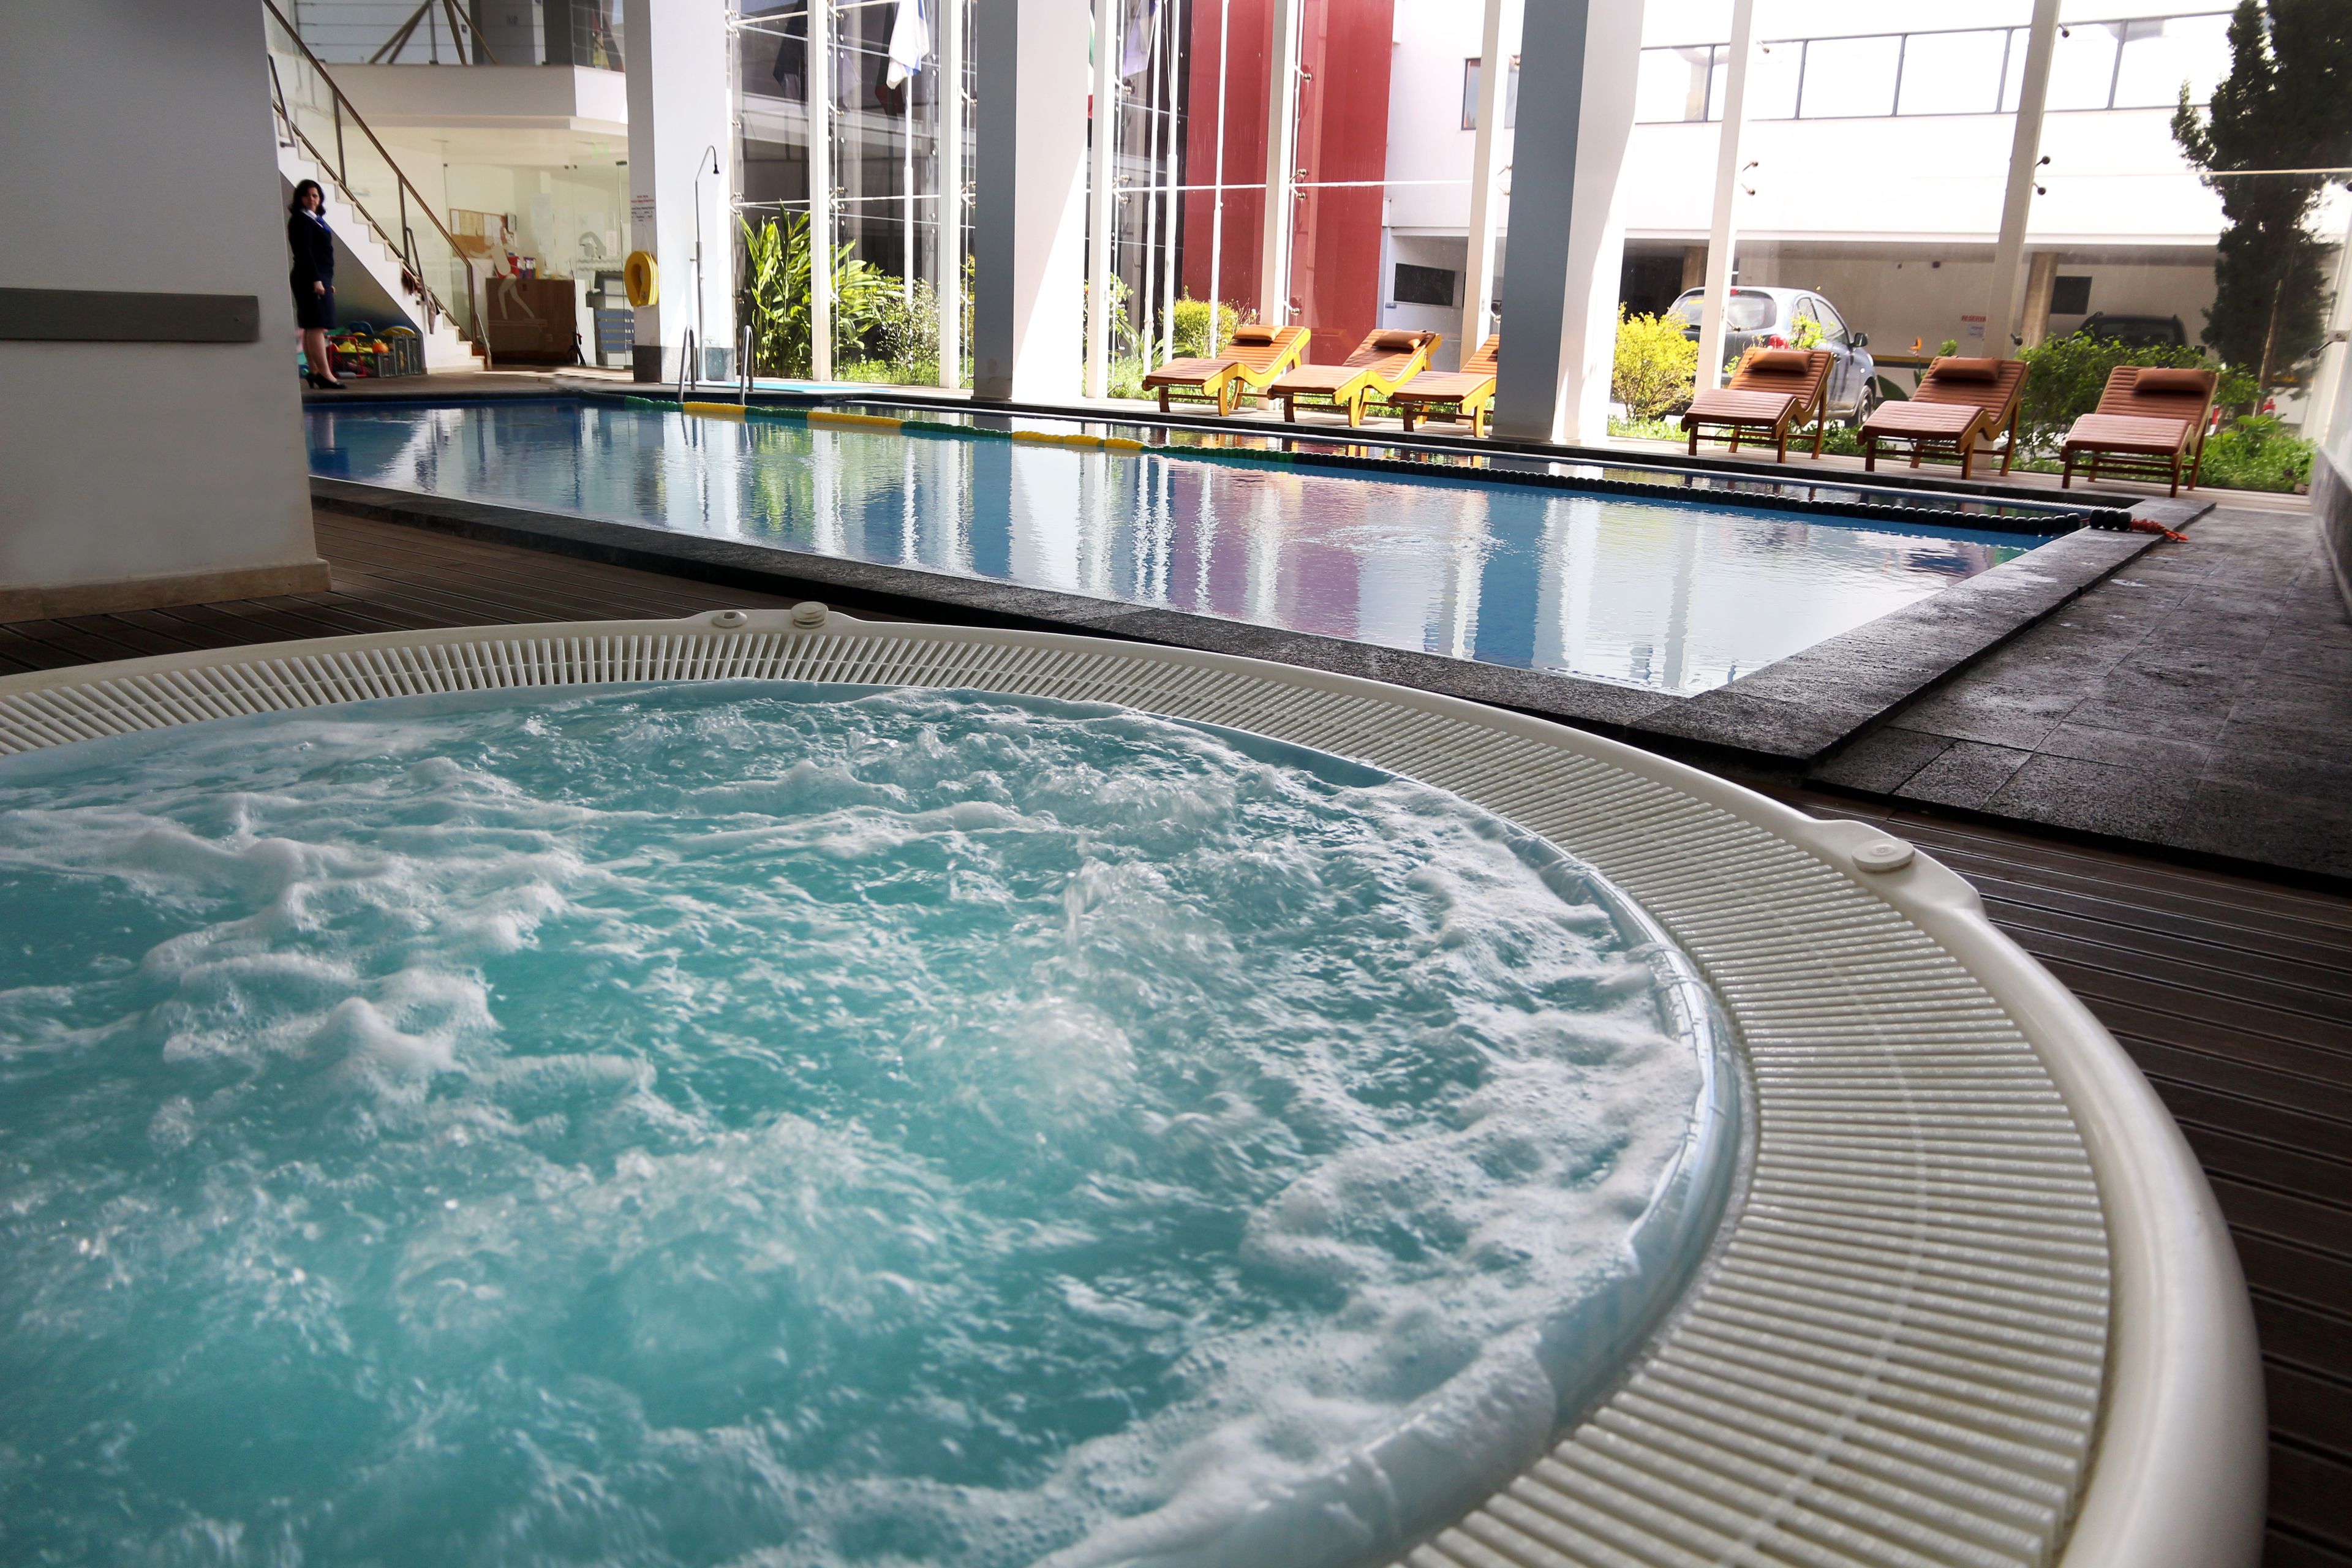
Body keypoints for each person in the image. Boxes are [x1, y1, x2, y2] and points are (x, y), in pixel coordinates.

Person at [287, 180, 347, 390]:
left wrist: (325, 280)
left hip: (319, 276)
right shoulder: (301, 220)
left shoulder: (317, 220)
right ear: (300, 198)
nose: (312, 199)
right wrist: (316, 279)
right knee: (316, 326)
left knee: (310, 325)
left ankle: (314, 372)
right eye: (307, 195)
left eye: (315, 195)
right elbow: (304, 252)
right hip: (309, 277)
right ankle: (325, 374)